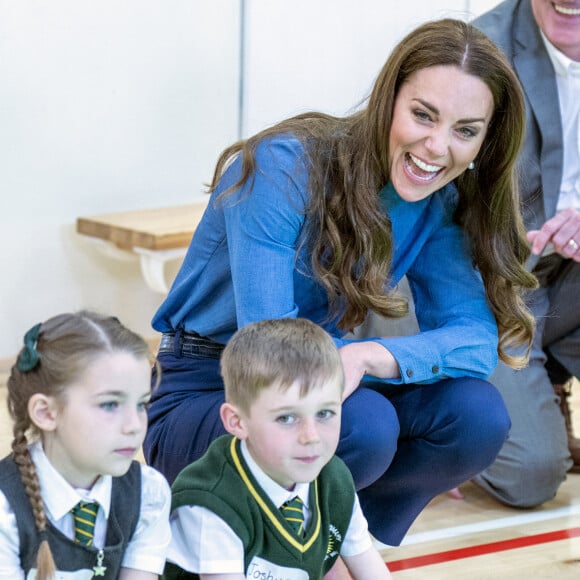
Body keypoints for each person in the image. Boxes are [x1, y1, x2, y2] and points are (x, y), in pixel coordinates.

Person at [144, 18, 538, 547]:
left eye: (465, 130)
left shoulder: (437, 204)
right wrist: (346, 362)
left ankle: (334, 544)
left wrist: (367, 357)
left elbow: (474, 341)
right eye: (423, 115)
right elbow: (271, 346)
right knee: (363, 424)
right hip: (210, 391)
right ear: (387, 101)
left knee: (477, 416)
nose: (438, 146)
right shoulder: (280, 168)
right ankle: (273, 547)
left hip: (327, 382)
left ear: (484, 141)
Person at [164, 318, 391, 579]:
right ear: (237, 422)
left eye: (325, 413)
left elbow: (368, 565)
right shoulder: (211, 502)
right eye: (286, 418)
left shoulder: (334, 478)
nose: (311, 436)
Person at [470, 0, 580, 507]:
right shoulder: (477, 54)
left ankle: (546, 380)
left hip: (570, 285)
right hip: (489, 288)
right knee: (531, 473)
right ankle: (437, 414)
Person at [0, 311, 172, 579]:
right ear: (46, 412)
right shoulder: (5, 506)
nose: (134, 425)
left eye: (141, 404)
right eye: (110, 404)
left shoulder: (149, 494)